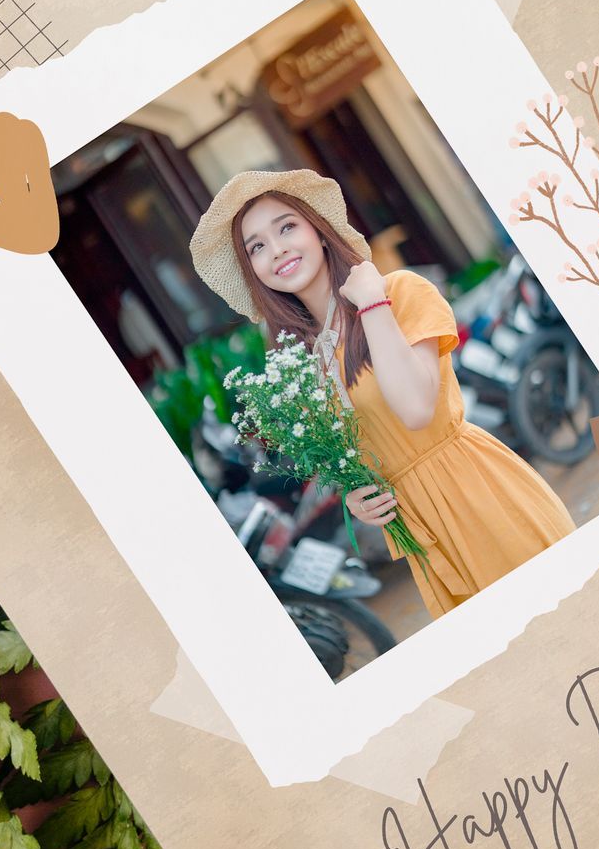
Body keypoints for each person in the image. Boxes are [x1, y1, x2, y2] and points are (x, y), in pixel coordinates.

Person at [188, 167, 577, 619]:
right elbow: (361, 447)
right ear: (252, 269)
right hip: (423, 539)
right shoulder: (304, 362)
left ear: (318, 228)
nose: (277, 250)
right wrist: (357, 494)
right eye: (257, 246)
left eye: (287, 227)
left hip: (478, 498)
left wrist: (372, 305)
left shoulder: (399, 293)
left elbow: (415, 409)